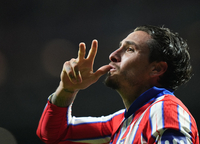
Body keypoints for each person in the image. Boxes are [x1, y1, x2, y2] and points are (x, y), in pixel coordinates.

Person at [37, 25, 199, 144]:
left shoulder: (165, 110)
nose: (113, 55)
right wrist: (67, 90)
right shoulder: (119, 122)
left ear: (156, 68)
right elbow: (55, 134)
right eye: (119, 47)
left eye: (129, 49)